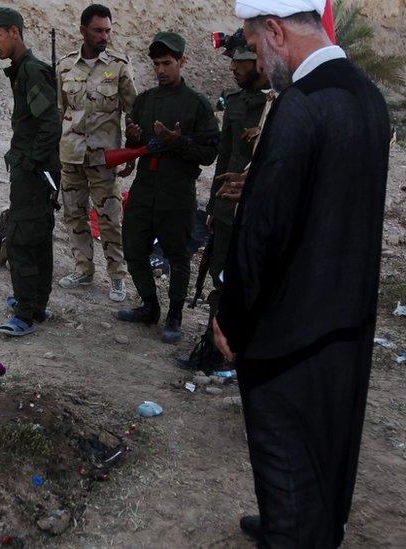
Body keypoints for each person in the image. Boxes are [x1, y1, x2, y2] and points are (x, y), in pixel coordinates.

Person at [214, 1, 391, 545]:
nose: (260, 63)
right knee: (329, 446)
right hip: (347, 320)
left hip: (290, 330)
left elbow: (260, 235)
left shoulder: (300, 104)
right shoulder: (368, 96)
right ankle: (309, 526)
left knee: (285, 451)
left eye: (254, 45)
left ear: (275, 31)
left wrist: (233, 321)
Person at [116, 32, 218, 343]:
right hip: (145, 185)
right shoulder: (145, 100)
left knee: (177, 255)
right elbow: (134, 140)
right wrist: (133, 138)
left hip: (177, 189)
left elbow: (210, 152)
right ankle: (149, 306)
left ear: (181, 62)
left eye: (167, 63)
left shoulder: (197, 105)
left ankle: (174, 314)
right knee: (133, 248)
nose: (161, 70)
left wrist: (179, 143)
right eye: (156, 64)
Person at [177, 32, 270, 372]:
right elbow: (226, 160)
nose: (232, 67)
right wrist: (215, 208)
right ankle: (216, 346)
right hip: (229, 208)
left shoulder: (280, 103)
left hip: (262, 211)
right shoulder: (234, 101)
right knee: (221, 276)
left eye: (239, 61)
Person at [0, 7, 60, 338]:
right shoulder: (23, 70)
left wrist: (30, 163)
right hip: (36, 169)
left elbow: (50, 125)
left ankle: (25, 314)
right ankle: (35, 304)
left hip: (35, 172)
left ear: (14, 32)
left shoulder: (33, 71)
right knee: (36, 237)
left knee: (22, 240)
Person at [56, 4, 137, 302]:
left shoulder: (118, 66)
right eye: (98, 30)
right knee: (74, 214)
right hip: (71, 155)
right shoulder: (65, 67)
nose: (104, 36)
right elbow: (61, 112)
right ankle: (83, 268)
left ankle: (117, 276)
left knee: (110, 217)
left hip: (105, 157)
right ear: (83, 31)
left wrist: (130, 153)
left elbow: (133, 112)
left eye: (107, 31)